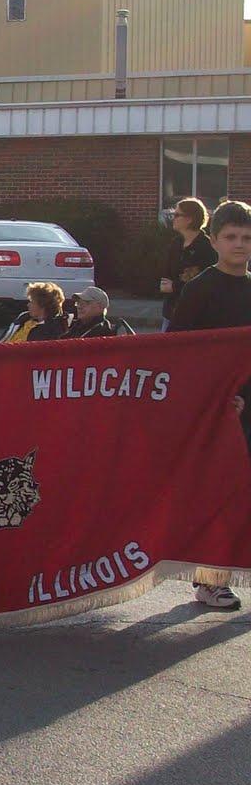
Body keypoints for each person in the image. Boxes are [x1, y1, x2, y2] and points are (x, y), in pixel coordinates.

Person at [167, 198, 251, 612]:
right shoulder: (199, 289)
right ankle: (210, 581)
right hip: (217, 409)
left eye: (247, 237)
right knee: (217, 494)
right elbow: (181, 354)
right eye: (231, 236)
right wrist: (215, 397)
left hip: (249, 403)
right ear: (213, 240)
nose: (239, 244)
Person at [161, 197, 215, 331]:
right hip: (171, 310)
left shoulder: (206, 247)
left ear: (190, 219)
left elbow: (206, 280)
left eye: (177, 215)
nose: (173, 218)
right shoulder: (176, 243)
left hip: (196, 313)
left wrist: (175, 286)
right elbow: (167, 272)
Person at [1, 282, 69, 343]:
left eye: (31, 301)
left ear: (42, 305)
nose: (28, 305)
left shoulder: (51, 328)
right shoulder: (24, 317)